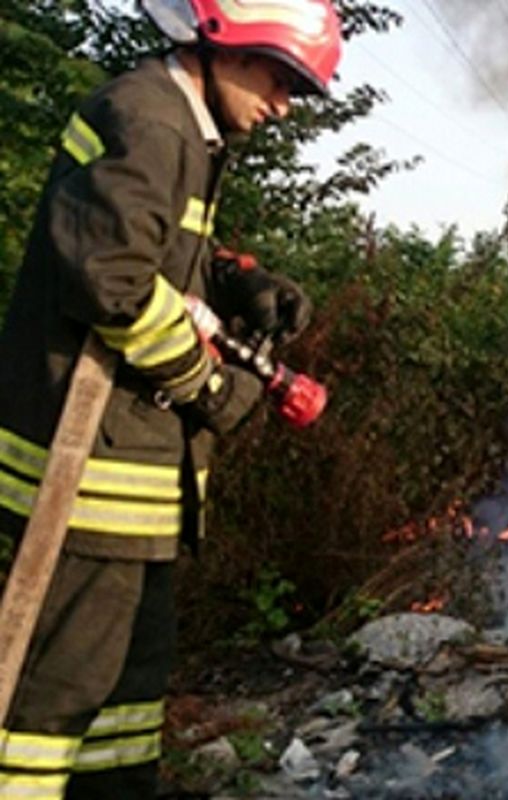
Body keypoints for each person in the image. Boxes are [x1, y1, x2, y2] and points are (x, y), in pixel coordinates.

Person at [0, 1, 341, 797]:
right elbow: (109, 277)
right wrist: (211, 384)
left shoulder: (186, 129)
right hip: (84, 489)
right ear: (224, 39)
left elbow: (155, 253)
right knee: (46, 718)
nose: (284, 102)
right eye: (279, 74)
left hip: (133, 494)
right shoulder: (150, 119)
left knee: (123, 713)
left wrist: (239, 281)